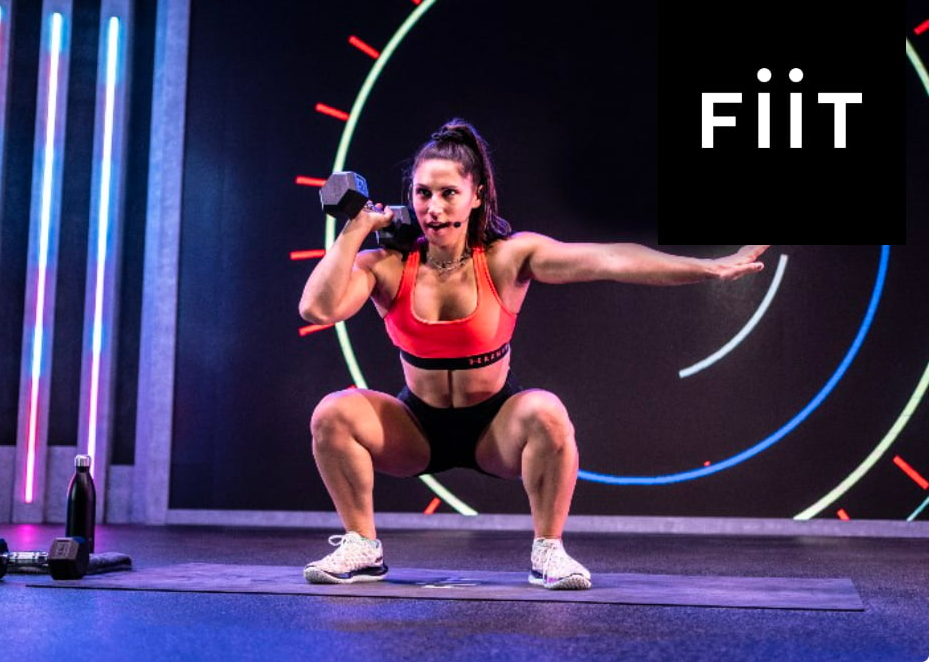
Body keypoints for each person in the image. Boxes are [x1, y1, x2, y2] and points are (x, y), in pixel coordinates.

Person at [298, 119, 769, 590]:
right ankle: (363, 546)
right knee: (333, 413)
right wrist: (355, 231)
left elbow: (610, 258)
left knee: (547, 411)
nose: (433, 208)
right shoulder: (388, 265)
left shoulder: (507, 258)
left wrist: (708, 268)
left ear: (477, 196)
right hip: (417, 430)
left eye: (448, 193)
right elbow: (317, 308)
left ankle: (549, 550)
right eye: (422, 194)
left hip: (494, 430)